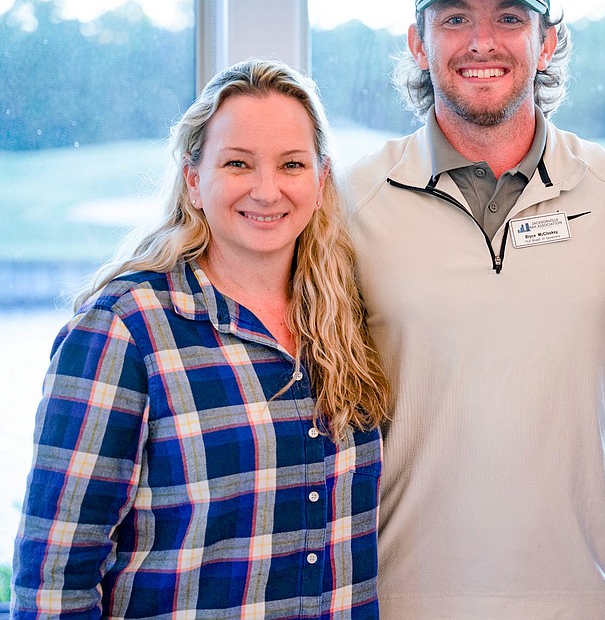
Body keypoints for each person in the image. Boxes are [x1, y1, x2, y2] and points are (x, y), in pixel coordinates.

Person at [345, 0, 605, 619]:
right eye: (454, 19)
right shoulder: (352, 201)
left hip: (576, 597)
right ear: (418, 42)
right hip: (399, 596)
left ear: (547, 40)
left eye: (509, 18)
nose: (482, 42)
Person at [12, 59, 390, 619]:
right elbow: (54, 580)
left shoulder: (346, 318)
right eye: (238, 163)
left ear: (320, 178)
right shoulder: (124, 331)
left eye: (291, 164)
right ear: (193, 178)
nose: (267, 190)